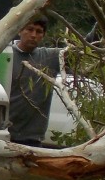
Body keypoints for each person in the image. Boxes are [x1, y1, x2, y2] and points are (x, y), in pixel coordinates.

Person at [6, 18, 65, 146]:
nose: (33, 35)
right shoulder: (6, 55)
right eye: (30, 29)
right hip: (4, 133)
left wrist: (103, 25)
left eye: (39, 31)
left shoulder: (50, 57)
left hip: (32, 138)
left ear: (43, 35)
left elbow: (82, 49)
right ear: (20, 30)